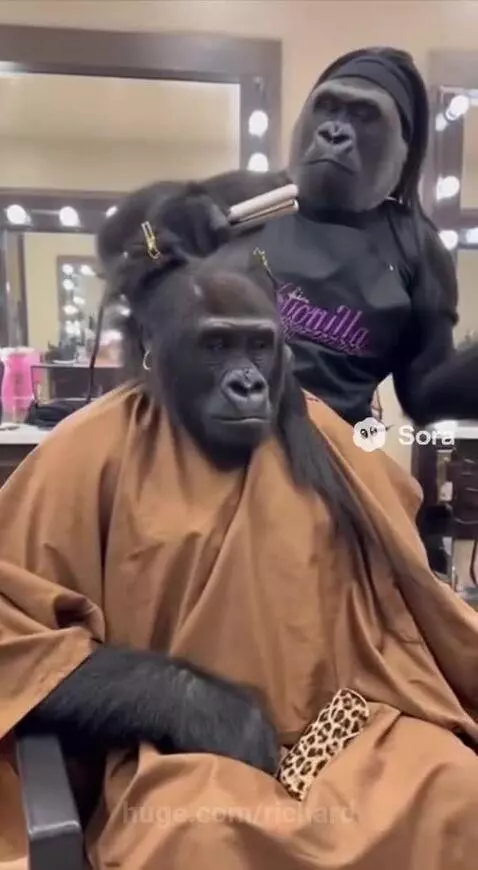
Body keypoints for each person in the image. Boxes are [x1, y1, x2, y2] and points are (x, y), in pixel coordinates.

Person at [0, 201, 478, 870]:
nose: (247, 377)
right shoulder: (90, 451)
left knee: (459, 793)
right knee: (196, 841)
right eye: (217, 346)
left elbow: (409, 602)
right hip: (180, 759)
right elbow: (13, 634)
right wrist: (175, 695)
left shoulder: (323, 440)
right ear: (154, 353)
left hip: (349, 728)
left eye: (259, 346)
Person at [99, 46, 478, 431]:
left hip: (325, 451)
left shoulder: (417, 248)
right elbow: (118, 245)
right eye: (328, 107)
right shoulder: (247, 195)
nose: (336, 130)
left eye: (363, 115)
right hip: (207, 433)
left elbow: (426, 395)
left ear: (403, 147)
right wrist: (166, 228)